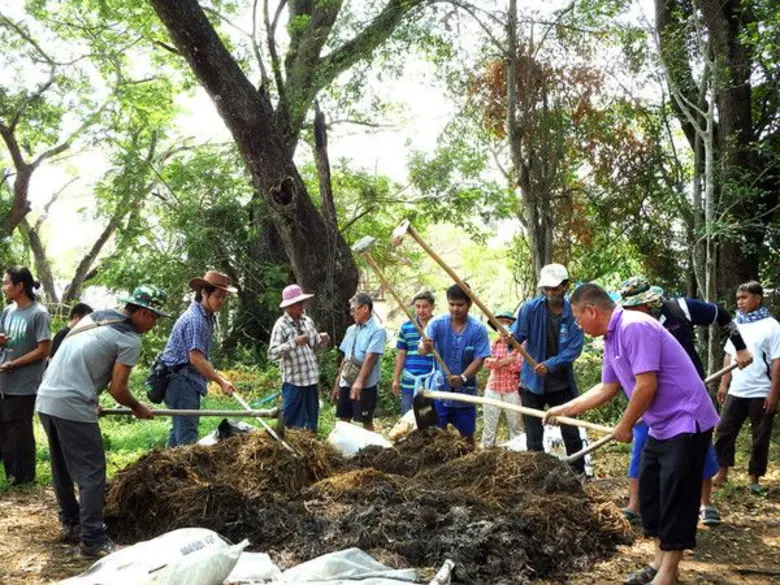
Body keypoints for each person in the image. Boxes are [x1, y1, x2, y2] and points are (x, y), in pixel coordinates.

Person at [544, 284, 718, 585]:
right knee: (650, 493)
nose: (577, 324)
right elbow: (607, 387)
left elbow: (646, 384)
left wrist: (625, 425)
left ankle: (667, 575)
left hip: (686, 420)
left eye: (577, 317)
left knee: (676, 496)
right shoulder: (611, 338)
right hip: (660, 425)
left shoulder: (635, 326)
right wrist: (565, 408)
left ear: (592, 311)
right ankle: (658, 563)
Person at [35, 285, 166, 558]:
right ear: (143, 312)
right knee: (92, 473)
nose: (154, 325)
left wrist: (89, 397)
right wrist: (138, 407)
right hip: (72, 403)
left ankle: (72, 524)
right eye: (154, 318)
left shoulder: (93, 319)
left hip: (46, 398)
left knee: (61, 468)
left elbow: (78, 361)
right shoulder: (130, 339)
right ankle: (93, 539)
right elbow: (117, 389)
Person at [619, 276, 752, 526]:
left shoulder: (680, 309)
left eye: (635, 307)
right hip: (651, 395)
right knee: (640, 446)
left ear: (648, 304)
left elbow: (721, 315)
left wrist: (741, 348)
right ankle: (634, 505)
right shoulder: (628, 326)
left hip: (689, 397)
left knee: (699, 448)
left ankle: (705, 503)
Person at [511, 263, 585, 472]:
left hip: (560, 384)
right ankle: (537, 477)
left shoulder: (574, 313)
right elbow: (518, 336)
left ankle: (578, 474)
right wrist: (511, 337)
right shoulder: (530, 309)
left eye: (555, 288)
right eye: (547, 289)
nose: (551, 293)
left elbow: (574, 349)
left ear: (565, 286)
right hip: (532, 384)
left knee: (571, 433)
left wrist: (550, 365)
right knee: (534, 436)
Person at [713, 281, 780, 493]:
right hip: (737, 389)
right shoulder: (736, 324)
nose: (740, 302)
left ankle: (754, 478)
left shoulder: (772, 326)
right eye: (738, 299)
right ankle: (721, 472)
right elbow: (728, 355)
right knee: (724, 431)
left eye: (744, 298)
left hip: (761, 390)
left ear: (758, 299)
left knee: (760, 435)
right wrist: (724, 384)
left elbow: (777, 362)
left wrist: (773, 394)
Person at [160, 271, 237, 447]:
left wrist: (219, 377)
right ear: (204, 293)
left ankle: (164, 472)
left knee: (178, 435)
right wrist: (220, 381)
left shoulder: (206, 317)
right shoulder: (195, 319)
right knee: (187, 439)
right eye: (218, 296)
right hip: (181, 382)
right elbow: (196, 359)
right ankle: (187, 475)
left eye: (224, 297)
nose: (221, 301)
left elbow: (201, 357)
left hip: (186, 383)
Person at [420, 284, 490, 446]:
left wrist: (463, 378)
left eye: (460, 305)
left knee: (467, 436)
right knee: (437, 436)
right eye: (452, 304)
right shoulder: (437, 323)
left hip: (465, 393)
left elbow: (480, 358)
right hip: (439, 391)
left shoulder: (478, 329)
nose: (455, 309)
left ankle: (470, 463)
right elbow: (421, 349)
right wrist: (426, 347)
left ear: (469, 304)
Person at [0, 266, 51, 486]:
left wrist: (15, 363)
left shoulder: (38, 314)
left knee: (19, 430)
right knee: (4, 430)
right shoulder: (7, 311)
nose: (4, 287)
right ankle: (11, 475)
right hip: (4, 382)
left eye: (6, 283)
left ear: (20, 286)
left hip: (25, 384)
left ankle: (25, 478)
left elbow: (44, 349)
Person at [268, 284, 330, 431]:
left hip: (311, 380)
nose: (302, 306)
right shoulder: (281, 325)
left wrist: (322, 340)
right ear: (289, 306)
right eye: (298, 303)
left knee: (311, 422)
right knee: (292, 422)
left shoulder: (307, 321)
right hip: (294, 382)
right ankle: (290, 449)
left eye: (302, 303)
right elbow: (272, 353)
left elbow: (314, 346)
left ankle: (311, 447)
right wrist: (293, 343)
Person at [333, 292, 386, 431]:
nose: (351, 313)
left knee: (366, 420)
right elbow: (345, 357)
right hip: (347, 380)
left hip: (366, 384)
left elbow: (371, 358)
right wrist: (337, 382)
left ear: (365, 309)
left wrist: (359, 382)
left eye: (353, 309)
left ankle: (372, 450)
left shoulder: (378, 330)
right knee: (344, 418)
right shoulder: (351, 329)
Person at [481, 310, 524, 448]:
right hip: (493, 388)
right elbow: (487, 362)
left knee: (516, 426)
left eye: (507, 324)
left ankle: (517, 452)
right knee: (489, 425)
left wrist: (499, 362)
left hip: (512, 389)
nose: (503, 327)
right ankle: (486, 452)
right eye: (500, 324)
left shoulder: (520, 345)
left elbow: (518, 366)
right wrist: (507, 360)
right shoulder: (493, 344)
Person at [392, 291, 436, 415]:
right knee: (407, 417)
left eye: (425, 306)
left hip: (431, 381)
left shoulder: (438, 326)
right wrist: (396, 378)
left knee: (427, 419)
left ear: (432, 307)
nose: (421, 310)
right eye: (418, 306)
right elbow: (401, 354)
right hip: (409, 381)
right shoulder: (406, 327)